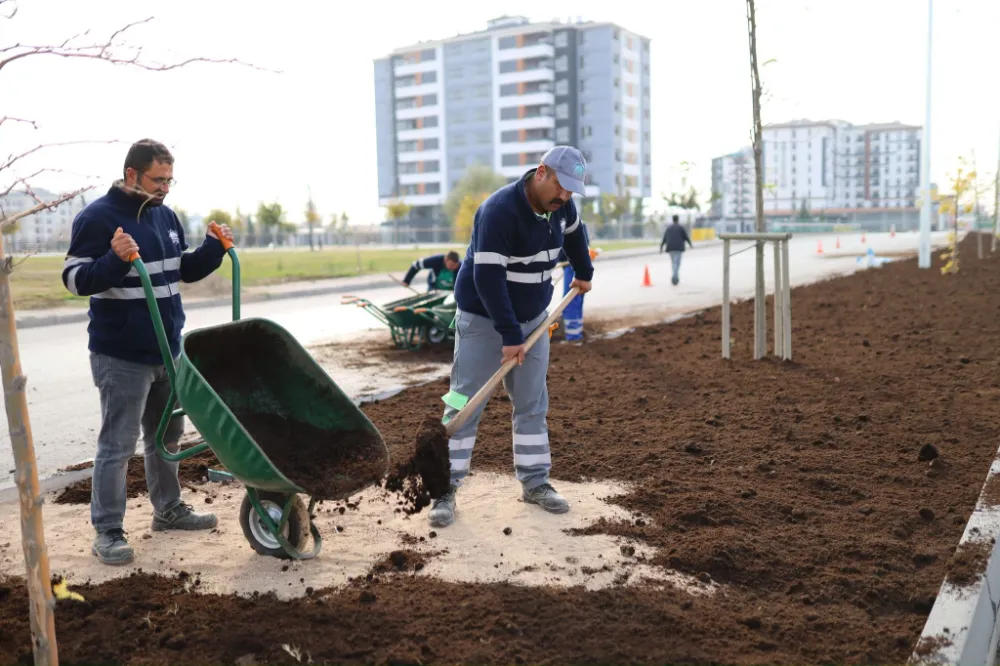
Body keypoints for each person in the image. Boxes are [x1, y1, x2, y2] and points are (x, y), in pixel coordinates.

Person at [62, 139, 234, 565]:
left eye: (170, 180)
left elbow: (181, 270)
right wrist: (114, 261)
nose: (166, 188)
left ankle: (168, 511)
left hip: (167, 349)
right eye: (159, 180)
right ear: (132, 175)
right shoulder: (97, 218)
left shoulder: (164, 216)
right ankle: (108, 531)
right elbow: (74, 279)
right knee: (117, 446)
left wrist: (214, 250)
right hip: (121, 354)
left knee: (165, 437)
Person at [429, 145, 594, 528]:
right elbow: (487, 279)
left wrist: (583, 271)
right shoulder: (499, 211)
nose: (565, 196)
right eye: (561, 186)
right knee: (461, 401)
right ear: (541, 173)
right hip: (483, 319)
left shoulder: (562, 209)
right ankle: (444, 488)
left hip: (534, 321)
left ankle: (535, 483)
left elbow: (575, 236)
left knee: (533, 402)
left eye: (572, 190)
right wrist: (508, 335)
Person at [557, 224, 598, 341]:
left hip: (572, 265)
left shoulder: (566, 221)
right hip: (575, 264)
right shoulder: (575, 221)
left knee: (570, 300)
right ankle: (576, 332)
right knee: (575, 299)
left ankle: (573, 336)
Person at [660, 214, 694, 285]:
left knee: (673, 263)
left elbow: (664, 238)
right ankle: (675, 277)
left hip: (670, 248)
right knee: (677, 263)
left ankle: (675, 276)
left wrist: (661, 247)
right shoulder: (680, 228)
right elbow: (686, 237)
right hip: (678, 248)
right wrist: (690, 245)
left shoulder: (669, 228)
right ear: (678, 220)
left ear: (673, 220)